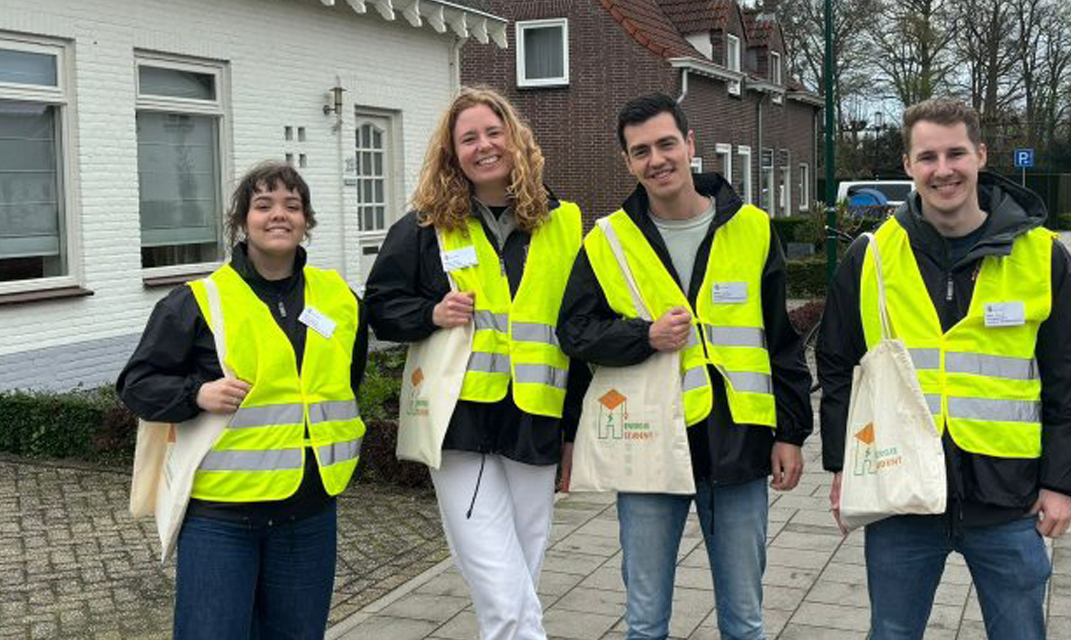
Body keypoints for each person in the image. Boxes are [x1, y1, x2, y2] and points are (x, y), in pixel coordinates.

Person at [817, 98, 1071, 640]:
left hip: (1008, 499)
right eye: (927, 157)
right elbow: (836, 367)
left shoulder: (1043, 257)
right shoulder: (870, 257)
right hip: (899, 497)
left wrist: (1061, 485)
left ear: (981, 155)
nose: (943, 170)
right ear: (907, 165)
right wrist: (841, 466)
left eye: (955, 153)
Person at [557, 93, 813, 640]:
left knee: (744, 622)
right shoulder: (607, 241)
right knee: (646, 623)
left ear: (691, 145)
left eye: (666, 143)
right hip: (648, 446)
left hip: (739, 443)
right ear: (627, 162)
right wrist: (643, 336)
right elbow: (574, 332)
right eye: (641, 150)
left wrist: (790, 432)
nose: (657, 160)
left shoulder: (753, 228)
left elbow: (781, 341)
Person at [364, 86, 587, 640]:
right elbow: (381, 308)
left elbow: (580, 334)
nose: (484, 146)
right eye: (469, 138)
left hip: (536, 422)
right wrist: (431, 312)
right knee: (503, 591)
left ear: (516, 139)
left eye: (494, 132)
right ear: (451, 152)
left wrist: (574, 433)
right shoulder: (425, 226)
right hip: (459, 426)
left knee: (520, 580)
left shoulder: (565, 222)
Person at [117, 161, 369, 640]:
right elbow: (136, 385)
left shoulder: (340, 298)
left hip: (310, 509)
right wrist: (197, 393)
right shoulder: (197, 301)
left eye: (292, 206)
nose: (279, 215)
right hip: (223, 517)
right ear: (241, 221)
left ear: (307, 221)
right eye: (264, 205)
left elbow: (345, 381)